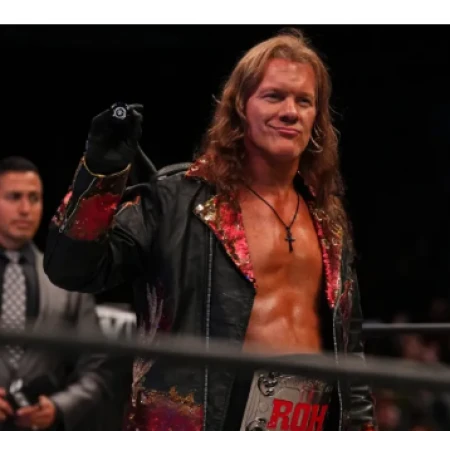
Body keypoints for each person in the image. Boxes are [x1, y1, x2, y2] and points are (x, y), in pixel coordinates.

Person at [44, 29, 377, 432]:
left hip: (307, 424)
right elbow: (73, 270)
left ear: (317, 117)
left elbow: (349, 347)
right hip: (201, 423)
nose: (291, 111)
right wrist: (101, 175)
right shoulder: (176, 200)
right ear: (240, 107)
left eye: (304, 100)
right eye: (274, 96)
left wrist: (361, 431)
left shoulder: (328, 220)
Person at [0, 156, 131, 431]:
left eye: (34, 198)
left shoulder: (65, 280)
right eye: (14, 197)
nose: (25, 209)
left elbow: (96, 367)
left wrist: (59, 407)